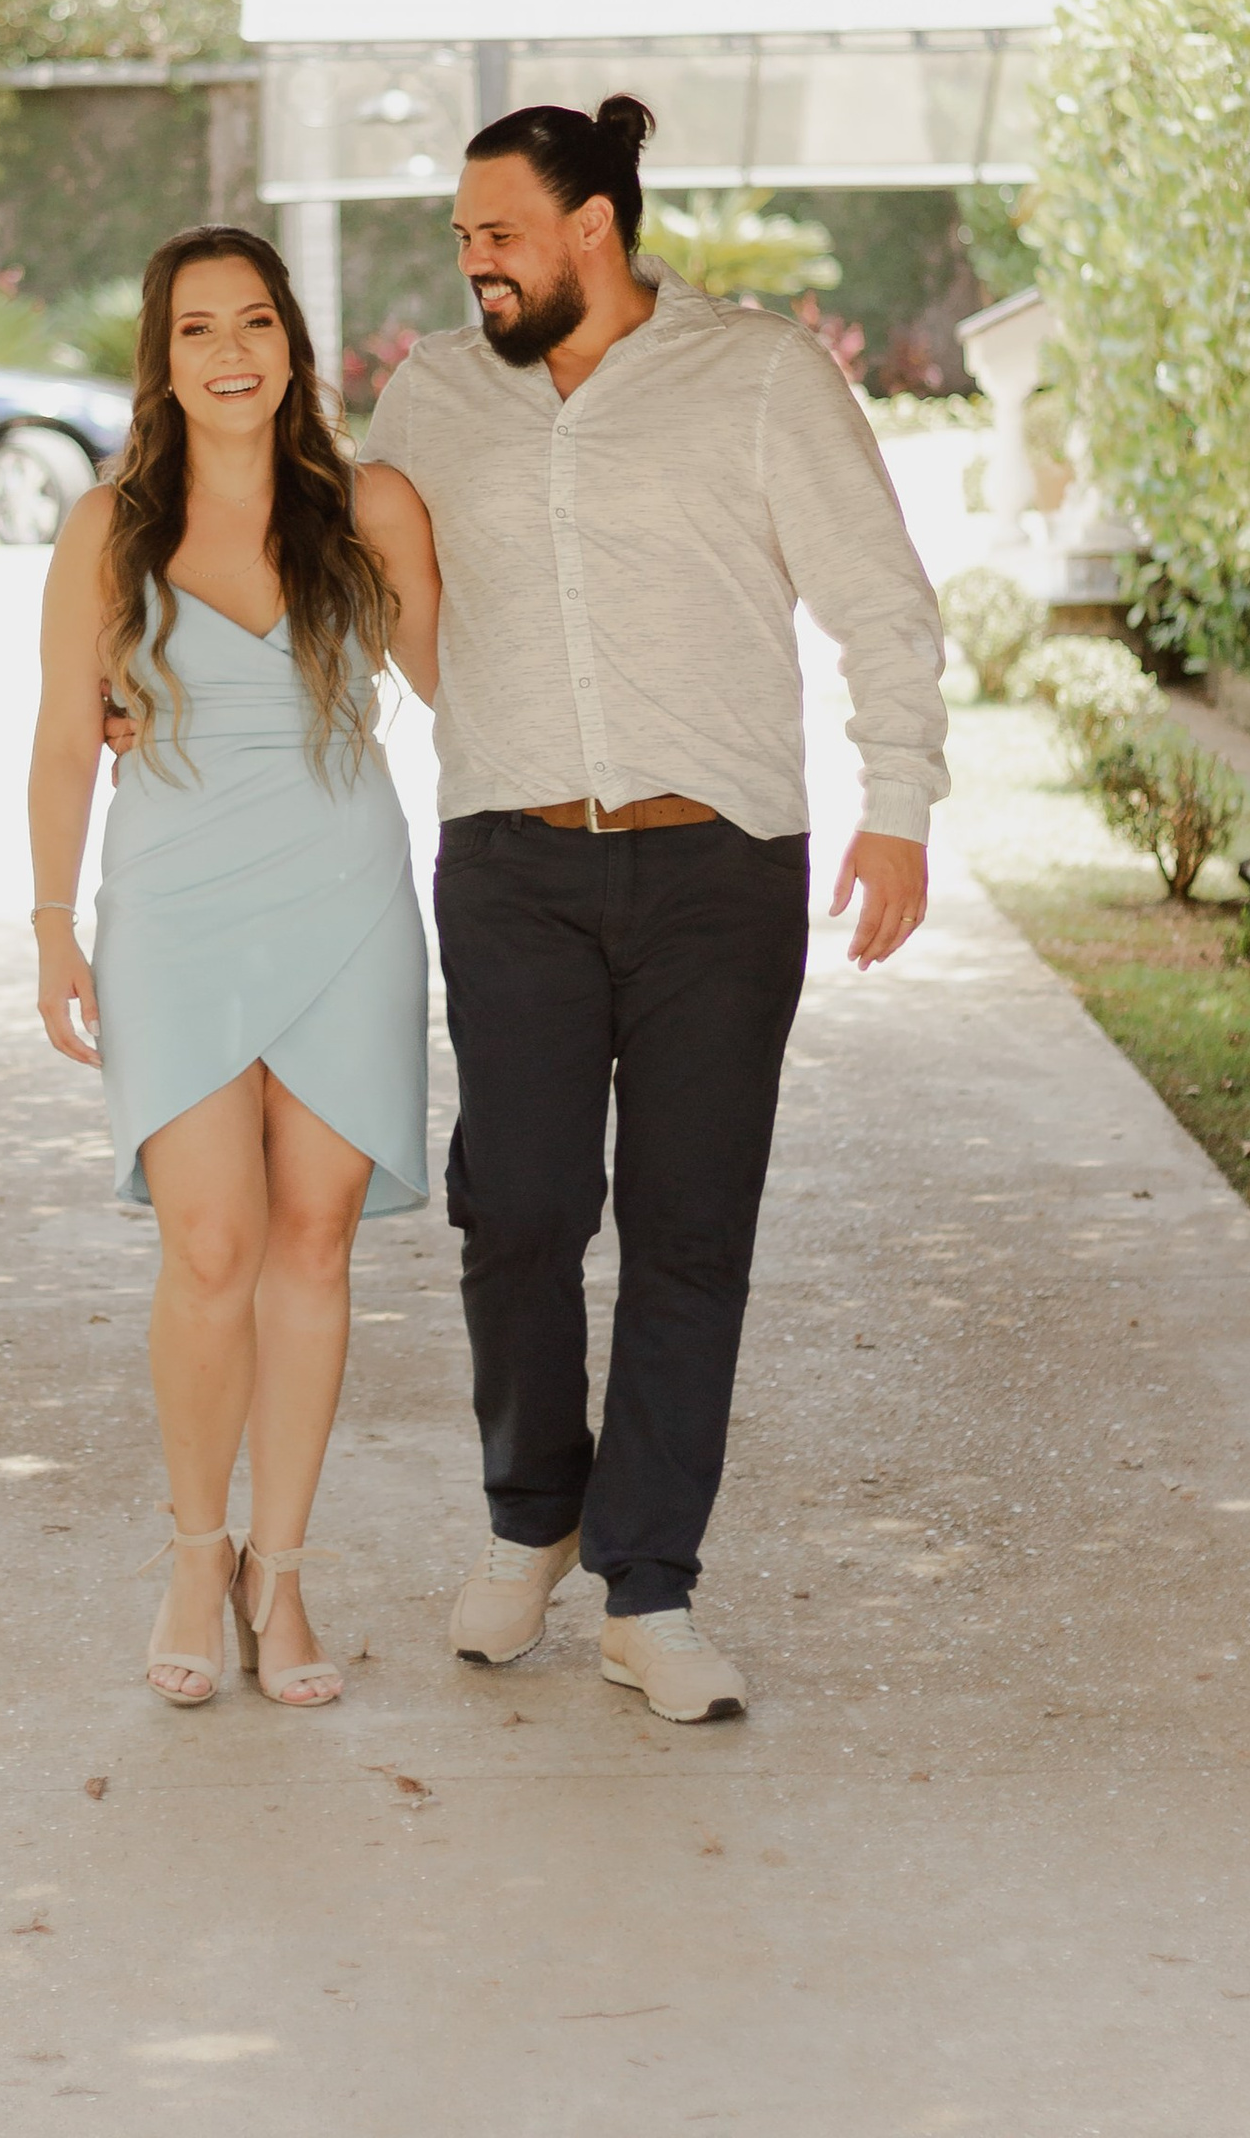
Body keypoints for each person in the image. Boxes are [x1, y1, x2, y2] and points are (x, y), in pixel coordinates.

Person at [361, 95, 949, 1724]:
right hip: (511, 861)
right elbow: (309, 555)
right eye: (463, 235)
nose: (472, 261)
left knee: (692, 1232)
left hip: (718, 872)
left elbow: (882, 603)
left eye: (498, 233)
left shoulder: (759, 377)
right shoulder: (430, 397)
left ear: (593, 229)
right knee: (523, 1208)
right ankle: (532, 1514)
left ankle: (650, 1585)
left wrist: (897, 807)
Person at [28, 225, 440, 1712]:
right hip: (176, 904)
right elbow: (67, 738)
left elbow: (463, 678)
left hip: (345, 894)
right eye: (198, 328)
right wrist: (50, 925)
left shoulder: (370, 508)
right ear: (163, 355)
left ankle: (285, 1569)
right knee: (208, 1244)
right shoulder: (108, 528)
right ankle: (195, 1557)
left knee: (313, 1244)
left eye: (255, 322)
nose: (230, 353)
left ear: (292, 344)